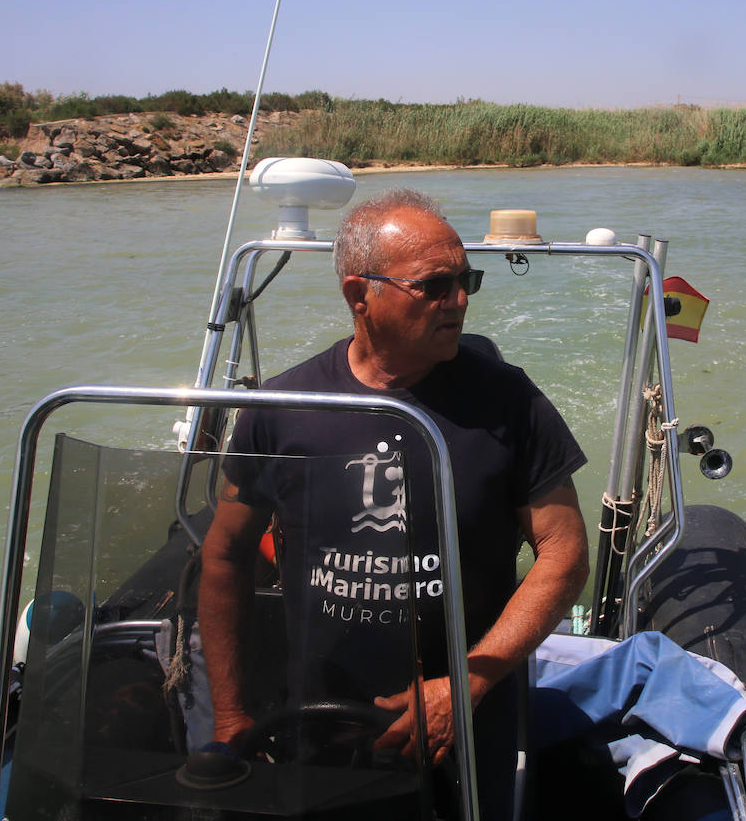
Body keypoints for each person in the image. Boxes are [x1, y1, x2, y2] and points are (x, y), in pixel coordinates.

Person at [198, 189, 589, 783]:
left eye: (466, 281)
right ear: (360, 295)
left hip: (469, 719)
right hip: (319, 724)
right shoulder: (282, 408)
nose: (459, 300)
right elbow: (226, 554)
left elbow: (565, 552)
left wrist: (468, 682)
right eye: (435, 286)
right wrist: (229, 714)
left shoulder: (509, 402)